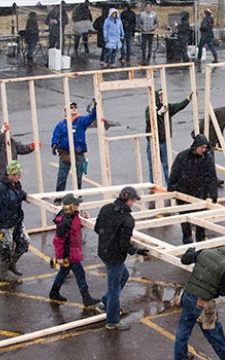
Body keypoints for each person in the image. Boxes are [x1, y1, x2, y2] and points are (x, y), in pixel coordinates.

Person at [174, 244, 225, 360]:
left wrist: (189, 252)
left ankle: (180, 357)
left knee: (183, 330)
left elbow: (185, 260)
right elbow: (223, 291)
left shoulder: (205, 252)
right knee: (213, 332)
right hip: (203, 302)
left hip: (188, 296)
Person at [94, 186, 150, 331]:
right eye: (132, 200)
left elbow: (97, 228)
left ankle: (105, 303)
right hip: (115, 257)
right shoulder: (127, 220)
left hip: (104, 251)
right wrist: (137, 250)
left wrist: (109, 234)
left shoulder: (106, 208)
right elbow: (124, 244)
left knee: (123, 276)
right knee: (114, 288)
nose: (133, 203)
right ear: (128, 200)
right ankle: (112, 320)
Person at [49, 193, 100, 307]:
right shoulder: (65, 221)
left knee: (64, 272)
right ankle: (86, 298)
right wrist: (60, 257)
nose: (78, 206)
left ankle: (54, 292)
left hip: (71, 251)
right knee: (80, 273)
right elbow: (58, 241)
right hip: (69, 253)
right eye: (76, 204)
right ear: (70, 206)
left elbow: (74, 228)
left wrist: (84, 220)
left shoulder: (73, 216)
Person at [168, 134, 218, 244]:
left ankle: (200, 245)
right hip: (184, 194)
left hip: (200, 194)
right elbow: (174, 173)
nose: (203, 150)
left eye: (205, 148)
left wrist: (212, 195)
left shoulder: (206, 159)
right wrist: (172, 188)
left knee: (200, 223)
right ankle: (188, 244)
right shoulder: (183, 156)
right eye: (202, 147)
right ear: (196, 146)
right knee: (185, 222)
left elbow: (212, 177)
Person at [0, 161, 31, 282]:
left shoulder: (15, 184)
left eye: (19, 174)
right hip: (5, 224)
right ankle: (3, 274)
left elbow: (18, 194)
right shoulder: (0, 189)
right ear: (9, 174)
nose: (18, 176)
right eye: (16, 174)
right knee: (6, 249)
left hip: (16, 221)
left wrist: (24, 196)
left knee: (24, 242)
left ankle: (12, 264)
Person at [145, 89, 193, 185]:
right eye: (160, 96)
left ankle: (169, 184)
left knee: (166, 164)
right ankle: (152, 185)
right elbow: (149, 119)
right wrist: (158, 113)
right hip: (152, 142)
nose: (162, 98)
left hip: (163, 141)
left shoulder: (166, 107)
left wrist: (188, 99)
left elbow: (178, 106)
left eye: (163, 95)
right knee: (153, 166)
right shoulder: (149, 108)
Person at [51, 101, 97, 198]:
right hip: (65, 154)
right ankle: (58, 198)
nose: (74, 108)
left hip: (78, 154)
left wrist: (95, 109)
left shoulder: (81, 120)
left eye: (75, 106)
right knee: (61, 177)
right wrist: (54, 144)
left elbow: (91, 117)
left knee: (78, 178)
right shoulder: (61, 125)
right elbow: (56, 135)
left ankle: (78, 197)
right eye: (71, 107)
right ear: (65, 111)